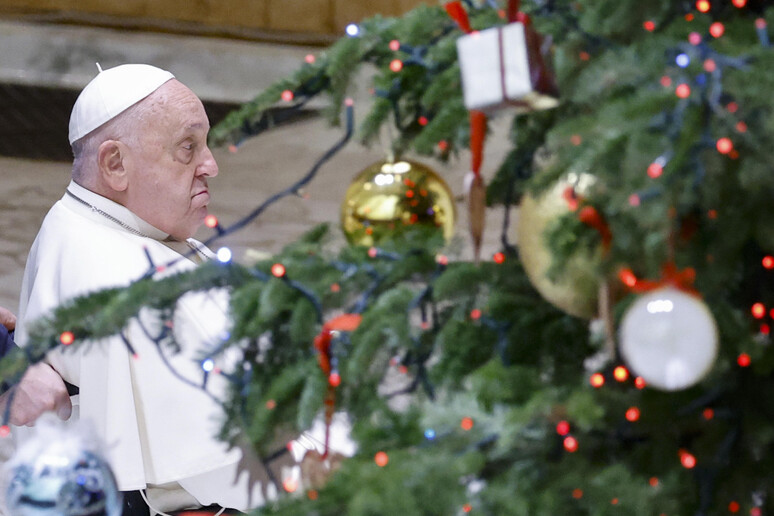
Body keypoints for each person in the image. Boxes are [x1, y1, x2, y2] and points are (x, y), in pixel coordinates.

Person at [1, 64, 273, 515]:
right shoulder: (105, 270)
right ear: (115, 165)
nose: (212, 165)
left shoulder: (116, 227)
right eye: (188, 147)